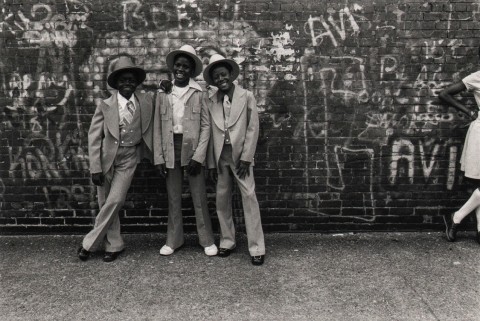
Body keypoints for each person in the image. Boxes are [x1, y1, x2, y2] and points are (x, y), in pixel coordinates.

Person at [77, 56, 154, 262]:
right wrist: (95, 167)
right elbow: (94, 137)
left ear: (136, 82)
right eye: (123, 80)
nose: (127, 83)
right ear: (116, 83)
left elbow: (165, 100)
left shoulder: (145, 101)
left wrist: (165, 87)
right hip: (106, 158)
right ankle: (114, 244)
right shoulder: (105, 105)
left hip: (129, 157)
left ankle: (89, 243)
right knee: (105, 203)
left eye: (131, 80)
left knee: (116, 199)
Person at [153, 45, 217, 256]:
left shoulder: (199, 92)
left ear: (191, 70)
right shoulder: (164, 92)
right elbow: (157, 126)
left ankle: (207, 240)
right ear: (173, 68)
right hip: (170, 146)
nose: (181, 69)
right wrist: (159, 157)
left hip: (192, 148)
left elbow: (206, 125)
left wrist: (199, 155)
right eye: (178, 65)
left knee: (199, 195)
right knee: (174, 196)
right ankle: (173, 240)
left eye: (186, 67)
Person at [203, 54, 266, 265]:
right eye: (216, 77)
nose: (221, 79)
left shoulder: (246, 96)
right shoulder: (211, 100)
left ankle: (257, 247)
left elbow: (253, 128)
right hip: (221, 157)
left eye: (223, 74)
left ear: (231, 75)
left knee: (249, 196)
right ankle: (227, 241)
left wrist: (247, 157)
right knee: (221, 200)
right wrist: (211, 163)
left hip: (241, 157)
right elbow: (210, 133)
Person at [439, 59, 480, 244]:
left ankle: (462, 220)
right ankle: (459, 218)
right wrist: (469, 112)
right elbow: (445, 94)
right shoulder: (477, 77)